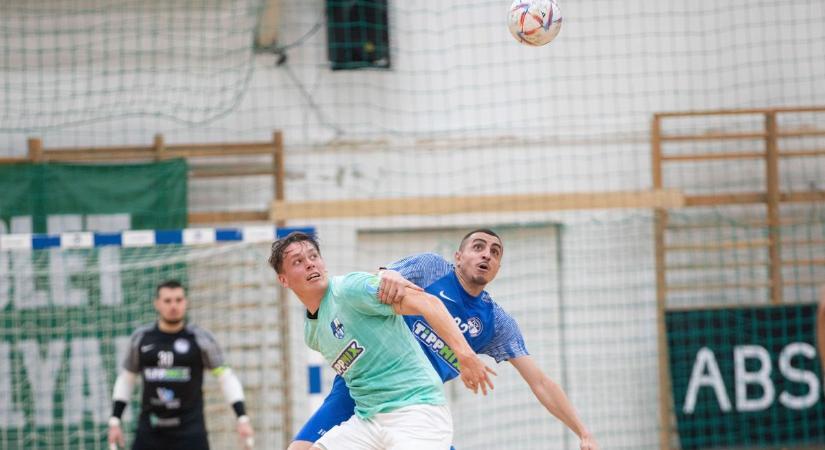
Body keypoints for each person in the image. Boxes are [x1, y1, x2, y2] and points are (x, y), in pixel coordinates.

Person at [291, 229, 599, 450]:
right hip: (363, 390)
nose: (486, 254)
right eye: (478, 246)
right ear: (458, 256)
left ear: (498, 268)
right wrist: (388, 271)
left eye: (495, 252)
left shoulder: (495, 322)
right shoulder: (431, 268)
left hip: (417, 405)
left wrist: (583, 432)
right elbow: (380, 282)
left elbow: (540, 382)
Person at [269, 231, 495, 450]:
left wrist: (465, 355)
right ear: (283, 279)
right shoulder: (312, 334)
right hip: (368, 420)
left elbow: (430, 304)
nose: (310, 264)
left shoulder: (350, 290)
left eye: (313, 256)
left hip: (416, 411)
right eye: (298, 261)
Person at [107, 280, 255, 450]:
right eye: (168, 301)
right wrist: (115, 421)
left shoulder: (201, 339)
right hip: (150, 430)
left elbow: (225, 377)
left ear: (186, 302)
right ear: (157, 304)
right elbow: (127, 378)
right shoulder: (141, 338)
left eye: (178, 300)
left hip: (190, 432)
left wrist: (242, 418)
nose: (173, 306)